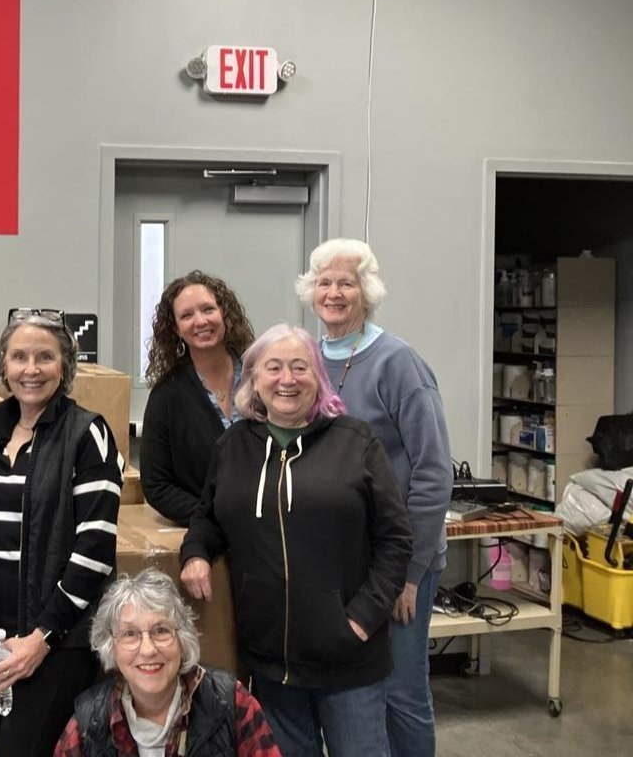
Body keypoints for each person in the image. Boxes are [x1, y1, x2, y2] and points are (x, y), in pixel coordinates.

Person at [179, 323, 411, 757]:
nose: (287, 379)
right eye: (274, 368)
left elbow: (395, 540)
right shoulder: (233, 446)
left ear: (318, 378)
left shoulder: (355, 441)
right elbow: (208, 515)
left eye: (300, 367)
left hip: (348, 660)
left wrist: (359, 620)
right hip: (270, 665)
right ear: (254, 380)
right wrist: (195, 553)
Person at [296, 239, 453, 757]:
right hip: (341, 560)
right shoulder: (308, 359)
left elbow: (432, 472)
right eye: (324, 282)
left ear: (367, 292)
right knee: (355, 689)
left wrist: (410, 574)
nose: (334, 293)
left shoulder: (399, 363)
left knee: (401, 692)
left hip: (400, 559)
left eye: (346, 283)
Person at [0, 308, 123, 757]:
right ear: (4, 365)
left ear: (65, 366)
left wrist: (42, 637)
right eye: (18, 357)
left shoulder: (87, 433)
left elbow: (95, 549)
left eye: (44, 357)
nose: (30, 370)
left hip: (55, 636)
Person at [53, 568, 282, 757]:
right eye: (130, 634)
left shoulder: (231, 702)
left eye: (161, 631)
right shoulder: (88, 723)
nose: (148, 650)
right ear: (110, 647)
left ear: (182, 640)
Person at [142, 272, 256, 525]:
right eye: (186, 315)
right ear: (175, 328)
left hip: (271, 527)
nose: (200, 321)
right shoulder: (166, 396)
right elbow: (156, 484)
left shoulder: (261, 378)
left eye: (208, 309)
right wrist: (212, 517)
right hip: (207, 533)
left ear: (224, 313)